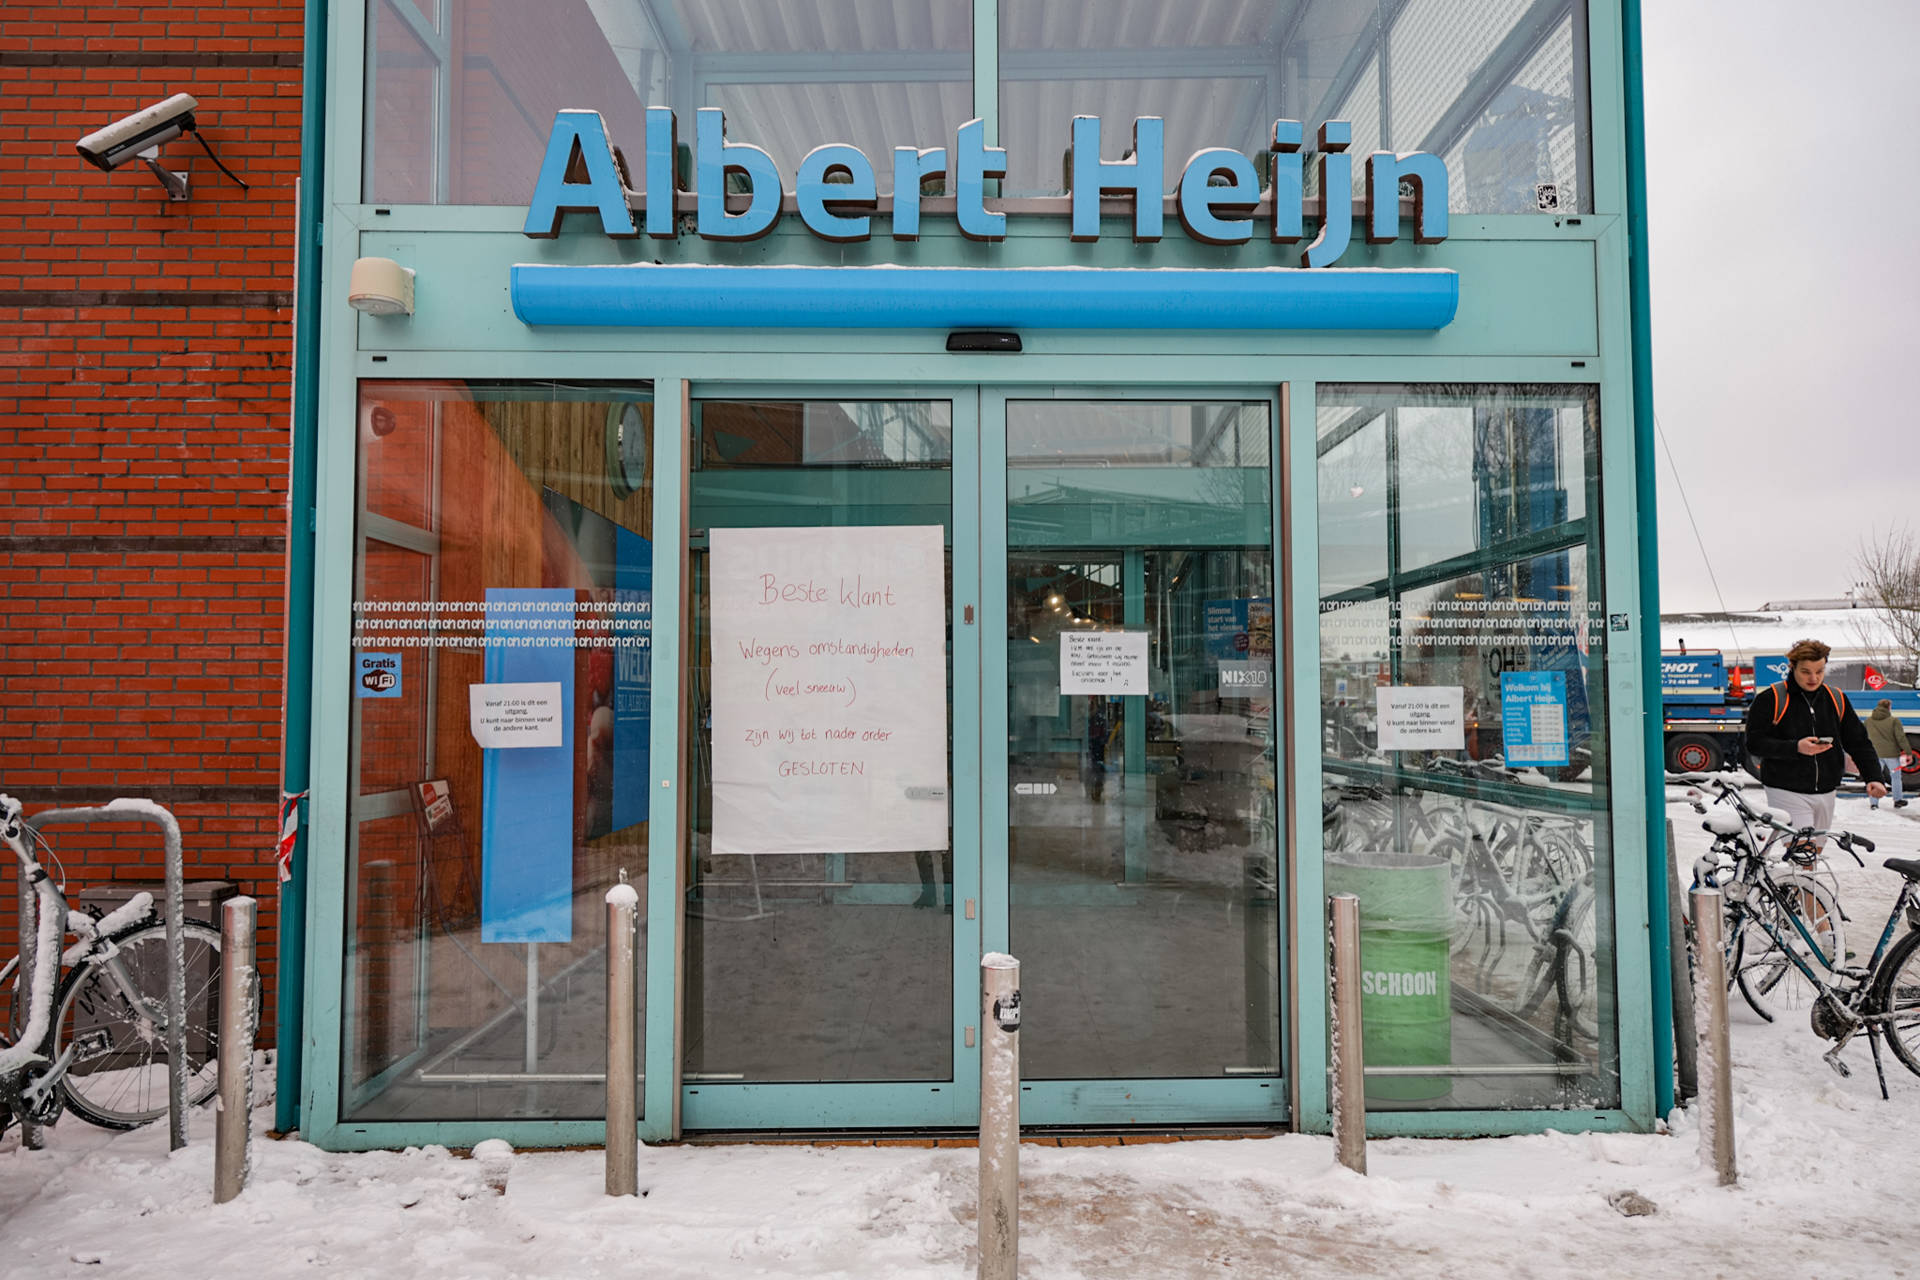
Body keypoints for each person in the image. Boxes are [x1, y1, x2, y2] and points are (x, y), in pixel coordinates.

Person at [1743, 639, 1889, 841]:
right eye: (1806, 672)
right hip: (1785, 788)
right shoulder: (1771, 698)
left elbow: (1859, 742)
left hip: (1827, 790)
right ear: (1792, 667)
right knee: (1803, 851)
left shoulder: (1836, 698)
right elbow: (1754, 743)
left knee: (1815, 852)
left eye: (1819, 671)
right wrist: (1796, 747)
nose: (1813, 678)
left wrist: (1873, 776)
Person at [1865, 697, 1912, 810]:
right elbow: (1901, 738)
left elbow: (1863, 737)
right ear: (1889, 707)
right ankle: (1897, 800)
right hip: (1891, 755)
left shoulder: (1868, 721)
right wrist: (1908, 752)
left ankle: (1874, 803)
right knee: (1895, 778)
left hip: (1875, 754)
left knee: (1875, 778)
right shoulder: (1894, 721)